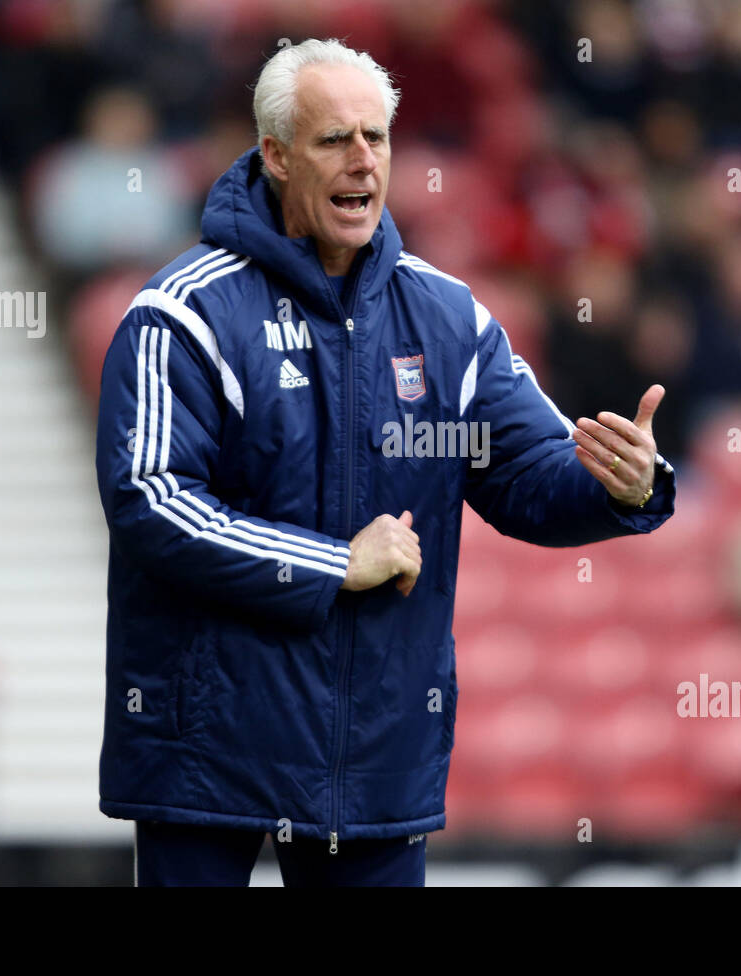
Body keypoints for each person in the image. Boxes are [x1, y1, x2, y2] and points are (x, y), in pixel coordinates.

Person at [94, 38, 677, 887]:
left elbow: (523, 474)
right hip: (206, 756)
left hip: (375, 760)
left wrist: (618, 486)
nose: (363, 159)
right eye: (335, 140)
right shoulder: (185, 315)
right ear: (276, 156)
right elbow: (150, 501)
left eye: (378, 137)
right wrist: (335, 565)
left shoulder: (448, 320)